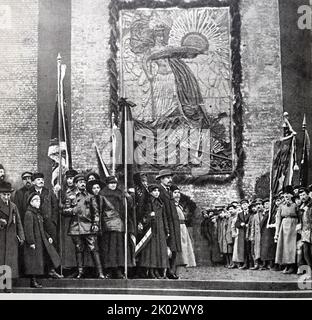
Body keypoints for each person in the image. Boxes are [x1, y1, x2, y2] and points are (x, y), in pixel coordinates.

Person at [63, 173, 104, 279]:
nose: (82, 184)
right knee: (79, 249)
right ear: (76, 184)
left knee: (94, 249)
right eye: (80, 182)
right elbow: (64, 210)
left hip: (88, 226)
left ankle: (100, 273)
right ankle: (80, 272)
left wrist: (95, 224)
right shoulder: (70, 196)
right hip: (76, 227)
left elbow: (96, 212)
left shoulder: (90, 197)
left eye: (84, 182)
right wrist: (72, 211)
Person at [99, 175, 135, 279]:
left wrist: (128, 198)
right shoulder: (103, 194)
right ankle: (109, 270)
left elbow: (129, 208)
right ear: (107, 184)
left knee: (119, 249)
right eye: (111, 183)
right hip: (107, 225)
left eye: (114, 183)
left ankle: (119, 269)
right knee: (109, 249)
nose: (113, 185)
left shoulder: (121, 194)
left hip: (120, 225)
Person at [23, 192, 61, 288]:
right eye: (35, 200)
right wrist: (31, 242)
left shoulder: (38, 213)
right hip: (34, 242)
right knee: (33, 262)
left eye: (39, 200)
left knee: (48, 255)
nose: (38, 202)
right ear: (31, 202)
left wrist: (48, 237)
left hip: (41, 240)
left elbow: (42, 228)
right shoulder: (29, 213)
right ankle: (33, 281)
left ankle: (51, 271)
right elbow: (28, 229)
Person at [136, 184, 169, 279]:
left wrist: (166, 229)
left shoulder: (160, 202)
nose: (157, 193)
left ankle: (157, 270)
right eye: (154, 191)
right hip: (151, 229)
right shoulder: (148, 202)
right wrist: (150, 215)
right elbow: (143, 215)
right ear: (150, 192)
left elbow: (164, 217)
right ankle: (151, 270)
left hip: (160, 229)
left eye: (158, 191)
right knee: (152, 251)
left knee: (159, 251)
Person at [156, 169, 181, 279]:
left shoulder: (169, 191)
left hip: (174, 224)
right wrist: (166, 226)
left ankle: (172, 270)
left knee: (174, 247)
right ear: (161, 179)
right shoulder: (160, 191)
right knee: (167, 247)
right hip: (166, 224)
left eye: (170, 178)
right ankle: (165, 271)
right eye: (167, 178)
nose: (170, 180)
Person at [0, 181, 25, 279]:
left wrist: (21, 236)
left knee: (10, 262)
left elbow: (18, 222)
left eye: (8, 195)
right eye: (4, 195)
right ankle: (1, 286)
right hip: (1, 239)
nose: (6, 197)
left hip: (11, 238)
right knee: (1, 261)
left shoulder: (13, 206)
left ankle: (7, 285)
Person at [171, 185, 196, 276]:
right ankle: (172, 271)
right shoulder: (171, 206)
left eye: (178, 193)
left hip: (183, 229)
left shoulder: (179, 206)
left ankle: (177, 272)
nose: (177, 195)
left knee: (183, 251)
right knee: (177, 251)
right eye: (175, 193)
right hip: (177, 229)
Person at [274, 186, 299, 274]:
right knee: (284, 246)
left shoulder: (295, 205)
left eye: (288, 194)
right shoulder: (281, 206)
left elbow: (299, 216)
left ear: (292, 195)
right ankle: (286, 265)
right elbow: (278, 218)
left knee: (291, 246)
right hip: (284, 226)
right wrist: (277, 233)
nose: (286, 196)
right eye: (285, 195)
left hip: (293, 225)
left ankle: (292, 265)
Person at [59, 169, 78, 274]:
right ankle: (65, 265)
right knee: (65, 243)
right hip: (65, 221)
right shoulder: (63, 190)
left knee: (72, 243)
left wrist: (65, 209)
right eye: (68, 178)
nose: (69, 181)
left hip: (73, 220)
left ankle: (74, 266)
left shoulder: (76, 191)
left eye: (72, 178)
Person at [298, 187, 312, 277]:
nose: (302, 197)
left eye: (303, 195)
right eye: (300, 195)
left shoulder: (311, 205)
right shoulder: (302, 206)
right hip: (304, 231)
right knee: (305, 251)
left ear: (308, 194)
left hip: (311, 229)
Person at [260, 198, 277, 270]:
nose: (267, 205)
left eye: (268, 203)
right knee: (264, 248)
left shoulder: (272, 213)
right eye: (265, 204)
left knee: (270, 247)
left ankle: (271, 264)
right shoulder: (264, 213)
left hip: (270, 231)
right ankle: (264, 263)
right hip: (264, 232)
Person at [235, 199, 251, 269]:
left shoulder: (251, 213)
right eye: (243, 204)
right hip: (242, 234)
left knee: (250, 248)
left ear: (248, 205)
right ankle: (245, 263)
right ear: (241, 206)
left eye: (245, 204)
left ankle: (251, 264)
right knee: (243, 249)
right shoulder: (239, 214)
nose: (244, 206)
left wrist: (248, 225)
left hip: (249, 232)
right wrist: (241, 224)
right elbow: (236, 223)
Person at [250, 198, 265, 270]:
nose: (258, 206)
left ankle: (263, 264)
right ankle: (256, 264)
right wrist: (252, 236)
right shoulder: (254, 216)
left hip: (264, 235)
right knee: (256, 250)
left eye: (260, 204)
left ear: (262, 205)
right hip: (257, 235)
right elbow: (252, 227)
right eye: (257, 205)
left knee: (263, 250)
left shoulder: (265, 214)